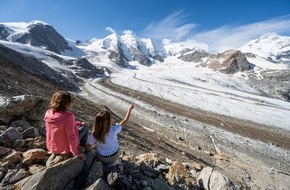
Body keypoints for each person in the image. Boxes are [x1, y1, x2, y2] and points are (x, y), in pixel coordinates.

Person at [44, 91, 89, 166]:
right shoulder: (68, 116)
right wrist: (76, 153)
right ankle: (83, 149)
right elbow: (71, 136)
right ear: (67, 103)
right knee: (85, 127)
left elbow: (61, 123)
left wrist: (79, 123)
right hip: (64, 148)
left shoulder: (49, 112)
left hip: (52, 146)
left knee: (82, 125)